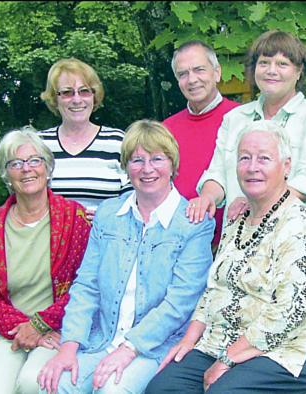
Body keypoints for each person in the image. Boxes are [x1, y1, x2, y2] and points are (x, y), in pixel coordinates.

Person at [146, 120, 306, 393]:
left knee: (224, 391)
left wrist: (228, 359)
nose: (252, 167)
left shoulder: (299, 225)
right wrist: (189, 342)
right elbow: (213, 290)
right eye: (244, 158)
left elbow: (288, 313)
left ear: (286, 166)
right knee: (163, 388)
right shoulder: (238, 221)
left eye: (264, 158)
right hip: (221, 343)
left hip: (287, 350)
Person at [37, 120, 215, 394]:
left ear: (172, 165)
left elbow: (180, 301)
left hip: (154, 345)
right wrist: (69, 346)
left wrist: (129, 348)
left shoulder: (194, 223)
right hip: (102, 338)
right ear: (125, 166)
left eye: (157, 159)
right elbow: (86, 286)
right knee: (55, 385)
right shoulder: (109, 215)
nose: (147, 169)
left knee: (112, 390)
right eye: (136, 160)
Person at [188, 30, 306, 288]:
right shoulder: (235, 119)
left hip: (295, 250)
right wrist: (206, 197)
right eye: (264, 63)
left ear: (299, 71)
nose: (272, 70)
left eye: (282, 64)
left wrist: (253, 206)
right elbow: (217, 175)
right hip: (240, 250)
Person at [0, 127, 91, 394]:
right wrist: (23, 329)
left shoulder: (75, 218)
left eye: (34, 160)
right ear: (6, 174)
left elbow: (85, 285)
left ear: (47, 168)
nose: (26, 169)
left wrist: (39, 325)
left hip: (58, 329)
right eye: (15, 163)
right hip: (10, 330)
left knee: (33, 382)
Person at [164, 40, 240, 248]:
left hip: (231, 244)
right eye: (183, 74)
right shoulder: (166, 130)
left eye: (199, 70)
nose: (192, 80)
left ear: (217, 72)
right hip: (176, 243)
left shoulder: (243, 119)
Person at [39, 58, 132, 219]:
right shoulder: (40, 145)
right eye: (67, 92)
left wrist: (106, 217)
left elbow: (136, 198)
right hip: (52, 241)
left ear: (94, 96)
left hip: (107, 239)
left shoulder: (118, 142)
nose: (77, 99)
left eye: (84, 91)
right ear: (55, 99)